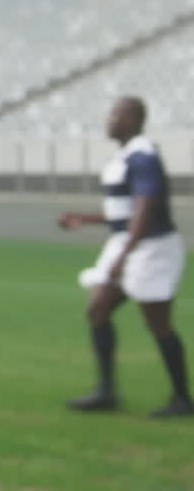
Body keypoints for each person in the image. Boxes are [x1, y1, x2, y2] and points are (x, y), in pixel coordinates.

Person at [59, 96, 190, 417]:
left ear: (132, 119)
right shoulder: (128, 156)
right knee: (98, 309)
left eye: (116, 114)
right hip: (129, 243)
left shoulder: (143, 156)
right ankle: (106, 392)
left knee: (158, 323)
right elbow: (126, 212)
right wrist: (84, 219)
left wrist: (123, 256)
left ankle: (183, 399)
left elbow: (146, 209)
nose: (109, 119)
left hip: (152, 248)